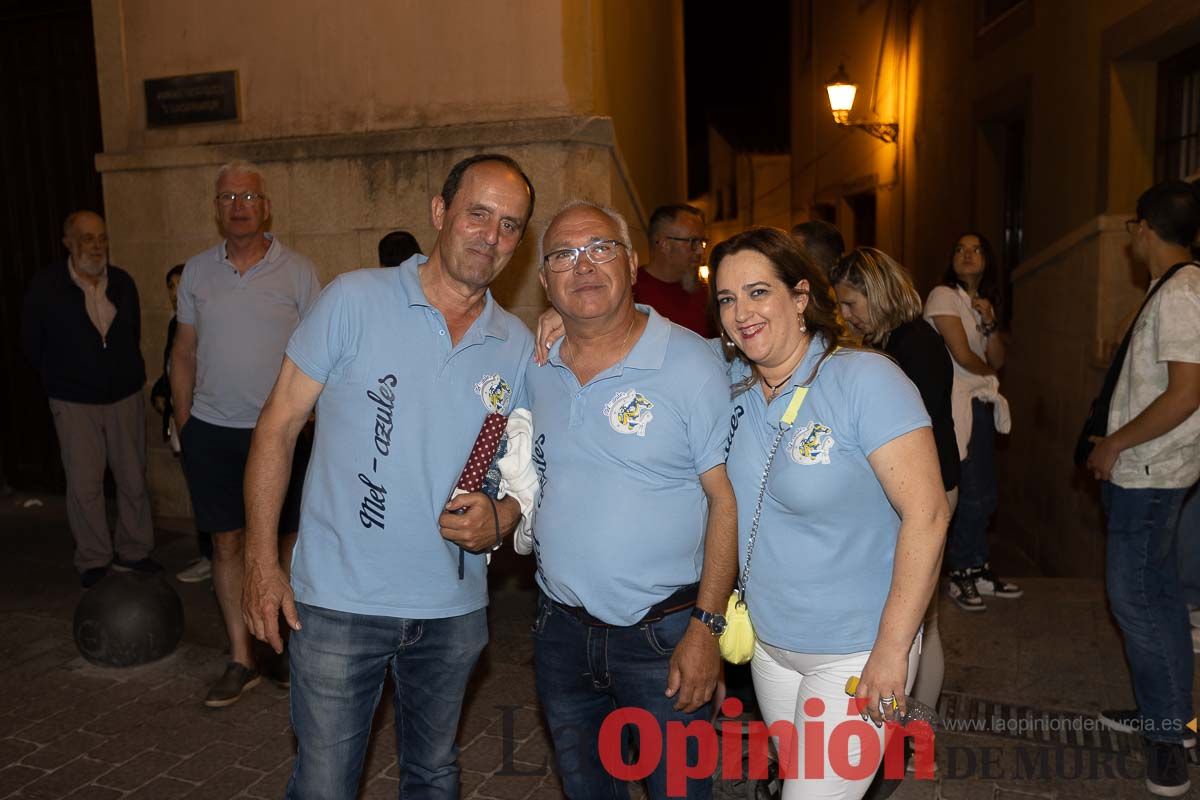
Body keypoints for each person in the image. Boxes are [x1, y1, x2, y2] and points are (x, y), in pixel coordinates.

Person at [241, 154, 537, 798]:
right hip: (339, 607)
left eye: (510, 225)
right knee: (324, 784)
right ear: (440, 212)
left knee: (433, 775)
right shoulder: (353, 298)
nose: (491, 235)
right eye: (477, 214)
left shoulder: (516, 344)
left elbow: (527, 467)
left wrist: (504, 517)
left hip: (453, 612)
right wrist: (261, 564)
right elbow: (278, 426)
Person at [712, 227, 948, 800]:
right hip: (770, 650)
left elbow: (929, 513)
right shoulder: (732, 386)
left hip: (856, 651)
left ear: (799, 297)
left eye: (758, 292)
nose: (741, 312)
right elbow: (652, 348)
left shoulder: (865, 380)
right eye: (726, 299)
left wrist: (893, 651)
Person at [525, 200, 736, 799]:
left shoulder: (692, 364)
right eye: (563, 255)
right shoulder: (537, 364)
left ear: (633, 263)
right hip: (560, 635)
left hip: (665, 637)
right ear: (544, 281)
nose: (583, 266)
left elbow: (727, 503)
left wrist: (707, 630)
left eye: (600, 248)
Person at [171, 160, 320, 707]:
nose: (239, 205)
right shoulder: (195, 273)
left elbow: (321, 353)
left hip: (280, 436)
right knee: (227, 543)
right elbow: (182, 352)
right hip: (212, 431)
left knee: (285, 545)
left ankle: (283, 649)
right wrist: (185, 424)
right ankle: (241, 657)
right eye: (228, 196)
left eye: (249, 196)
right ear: (216, 208)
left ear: (266, 206)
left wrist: (308, 418)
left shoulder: (299, 272)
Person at [1088, 180, 1200, 798]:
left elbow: (1187, 391)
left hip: (1151, 473)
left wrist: (1116, 442)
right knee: (1156, 600)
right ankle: (1170, 715)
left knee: (1133, 599)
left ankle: (1169, 739)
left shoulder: (1182, 291)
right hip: (1155, 471)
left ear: (1143, 228)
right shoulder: (1175, 288)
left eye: (1133, 228)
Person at [829, 247, 959, 724]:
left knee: (921, 619)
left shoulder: (914, 346)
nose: (844, 315)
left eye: (850, 304)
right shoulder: (888, 344)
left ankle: (915, 728)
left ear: (876, 294)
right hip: (907, 493)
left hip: (928, 496)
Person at [21, 211, 158, 588]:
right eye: (86, 238)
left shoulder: (123, 284)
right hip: (74, 400)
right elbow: (33, 344)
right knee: (85, 484)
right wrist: (61, 377)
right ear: (68, 243)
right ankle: (94, 559)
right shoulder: (46, 287)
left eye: (101, 238)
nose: (96, 246)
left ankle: (135, 551)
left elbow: (132, 333)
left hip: (124, 397)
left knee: (133, 478)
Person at [924, 232, 1020, 611]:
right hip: (954, 405)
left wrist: (990, 322)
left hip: (977, 403)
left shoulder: (981, 304)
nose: (967, 255)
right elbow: (963, 355)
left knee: (984, 492)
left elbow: (997, 357)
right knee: (966, 489)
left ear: (987, 260)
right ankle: (960, 573)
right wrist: (991, 379)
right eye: (959, 249)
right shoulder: (942, 296)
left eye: (976, 249)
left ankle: (978, 567)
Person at [149, 264, 213, 584]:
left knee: (211, 491)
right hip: (181, 419)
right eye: (170, 287)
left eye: (180, 285)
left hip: (206, 420)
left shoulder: (210, 323)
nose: (175, 293)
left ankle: (217, 556)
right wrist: (161, 393)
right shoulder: (177, 323)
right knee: (197, 488)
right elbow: (172, 366)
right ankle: (208, 552)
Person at [634, 204, 714, 336]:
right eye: (693, 242)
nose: (700, 251)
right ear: (664, 244)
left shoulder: (706, 294)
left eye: (702, 242)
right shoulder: (631, 294)